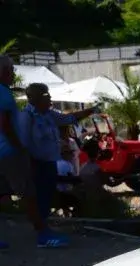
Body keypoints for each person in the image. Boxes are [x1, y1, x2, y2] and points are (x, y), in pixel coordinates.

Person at [21, 83, 98, 242]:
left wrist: (91, 110)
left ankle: (43, 229)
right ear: (35, 98)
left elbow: (69, 118)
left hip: (49, 163)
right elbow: (23, 143)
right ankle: (42, 234)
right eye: (46, 95)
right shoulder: (26, 117)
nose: (50, 97)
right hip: (36, 163)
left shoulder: (49, 114)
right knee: (39, 197)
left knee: (47, 196)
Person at [0, 55, 54, 249]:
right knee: (28, 193)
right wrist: (19, 148)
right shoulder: (4, 93)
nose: (13, 74)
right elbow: (5, 125)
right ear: (4, 71)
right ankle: (43, 235)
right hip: (8, 151)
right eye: (11, 70)